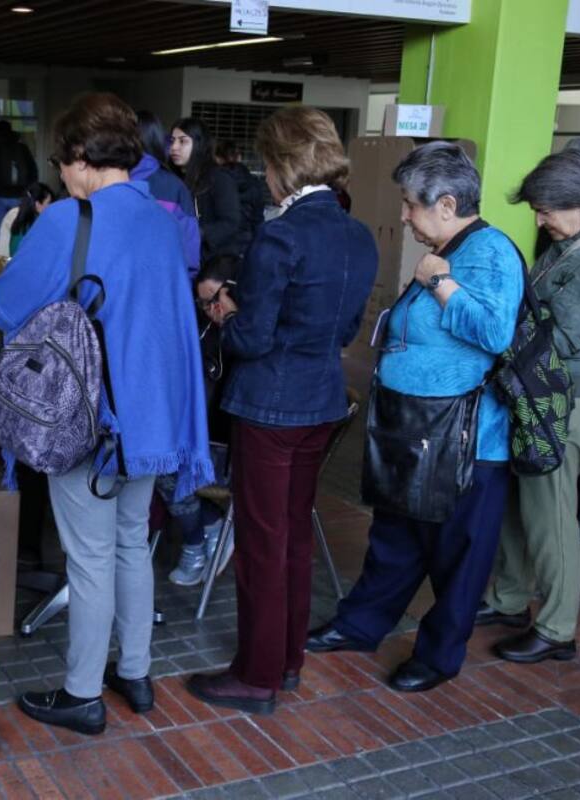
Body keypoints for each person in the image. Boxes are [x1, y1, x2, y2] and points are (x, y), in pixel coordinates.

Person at [0, 92, 213, 736]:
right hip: (151, 421)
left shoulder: (69, 219)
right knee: (129, 547)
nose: (60, 172)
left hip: (87, 416)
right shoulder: (161, 218)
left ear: (84, 158)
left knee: (87, 557)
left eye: (63, 160)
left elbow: (7, 304)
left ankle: (82, 693)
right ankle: (136, 673)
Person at [305, 141, 523, 693]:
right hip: (415, 428)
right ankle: (360, 625)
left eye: (410, 203)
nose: (403, 214)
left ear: (446, 204)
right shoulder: (450, 246)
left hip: (464, 437)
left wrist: (437, 281)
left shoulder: (490, 251)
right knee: (396, 536)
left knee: (456, 553)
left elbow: (496, 334)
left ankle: (439, 655)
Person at [185, 107, 377, 714]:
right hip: (322, 399)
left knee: (262, 545)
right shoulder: (357, 233)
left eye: (267, 164)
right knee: (292, 538)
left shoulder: (280, 234)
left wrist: (223, 310)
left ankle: (257, 675)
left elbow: (253, 339)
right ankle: (287, 660)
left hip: (269, 407)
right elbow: (344, 326)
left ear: (283, 165)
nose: (263, 176)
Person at [479, 150, 580, 663]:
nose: (540, 219)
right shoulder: (572, 246)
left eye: (546, 209)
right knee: (520, 504)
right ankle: (509, 597)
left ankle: (558, 626)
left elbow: (560, 337)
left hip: (567, 396)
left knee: (550, 513)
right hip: (542, 391)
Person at [159, 254, 242, 586]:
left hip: (228, 447)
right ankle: (208, 524)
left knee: (161, 468)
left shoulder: (247, 334)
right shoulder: (204, 326)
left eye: (215, 301)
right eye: (203, 303)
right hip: (198, 435)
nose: (211, 310)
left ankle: (195, 540)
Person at [131, 110, 200, 275]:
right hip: (163, 289)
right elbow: (189, 257)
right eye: (173, 140)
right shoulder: (175, 186)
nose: (175, 147)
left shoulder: (105, 183)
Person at [170, 118, 242, 260]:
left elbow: (230, 222)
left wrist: (196, 232)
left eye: (182, 141)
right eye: (172, 140)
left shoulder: (219, 178)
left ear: (199, 144)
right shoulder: (171, 177)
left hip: (209, 260)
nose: (174, 147)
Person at [0, 120, 38, 239]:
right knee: (18, 229)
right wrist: (30, 188)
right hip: (20, 194)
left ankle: (0, 255)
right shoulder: (22, 148)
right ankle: (16, 254)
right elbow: (33, 170)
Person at [215, 139, 271, 254]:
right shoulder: (253, 182)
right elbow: (258, 219)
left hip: (219, 246)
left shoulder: (214, 182)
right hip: (246, 246)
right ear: (239, 157)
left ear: (218, 158)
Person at [0, 182, 54, 258]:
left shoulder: (16, 215)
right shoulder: (35, 223)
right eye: (49, 203)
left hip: (5, 264)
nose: (52, 207)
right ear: (37, 204)